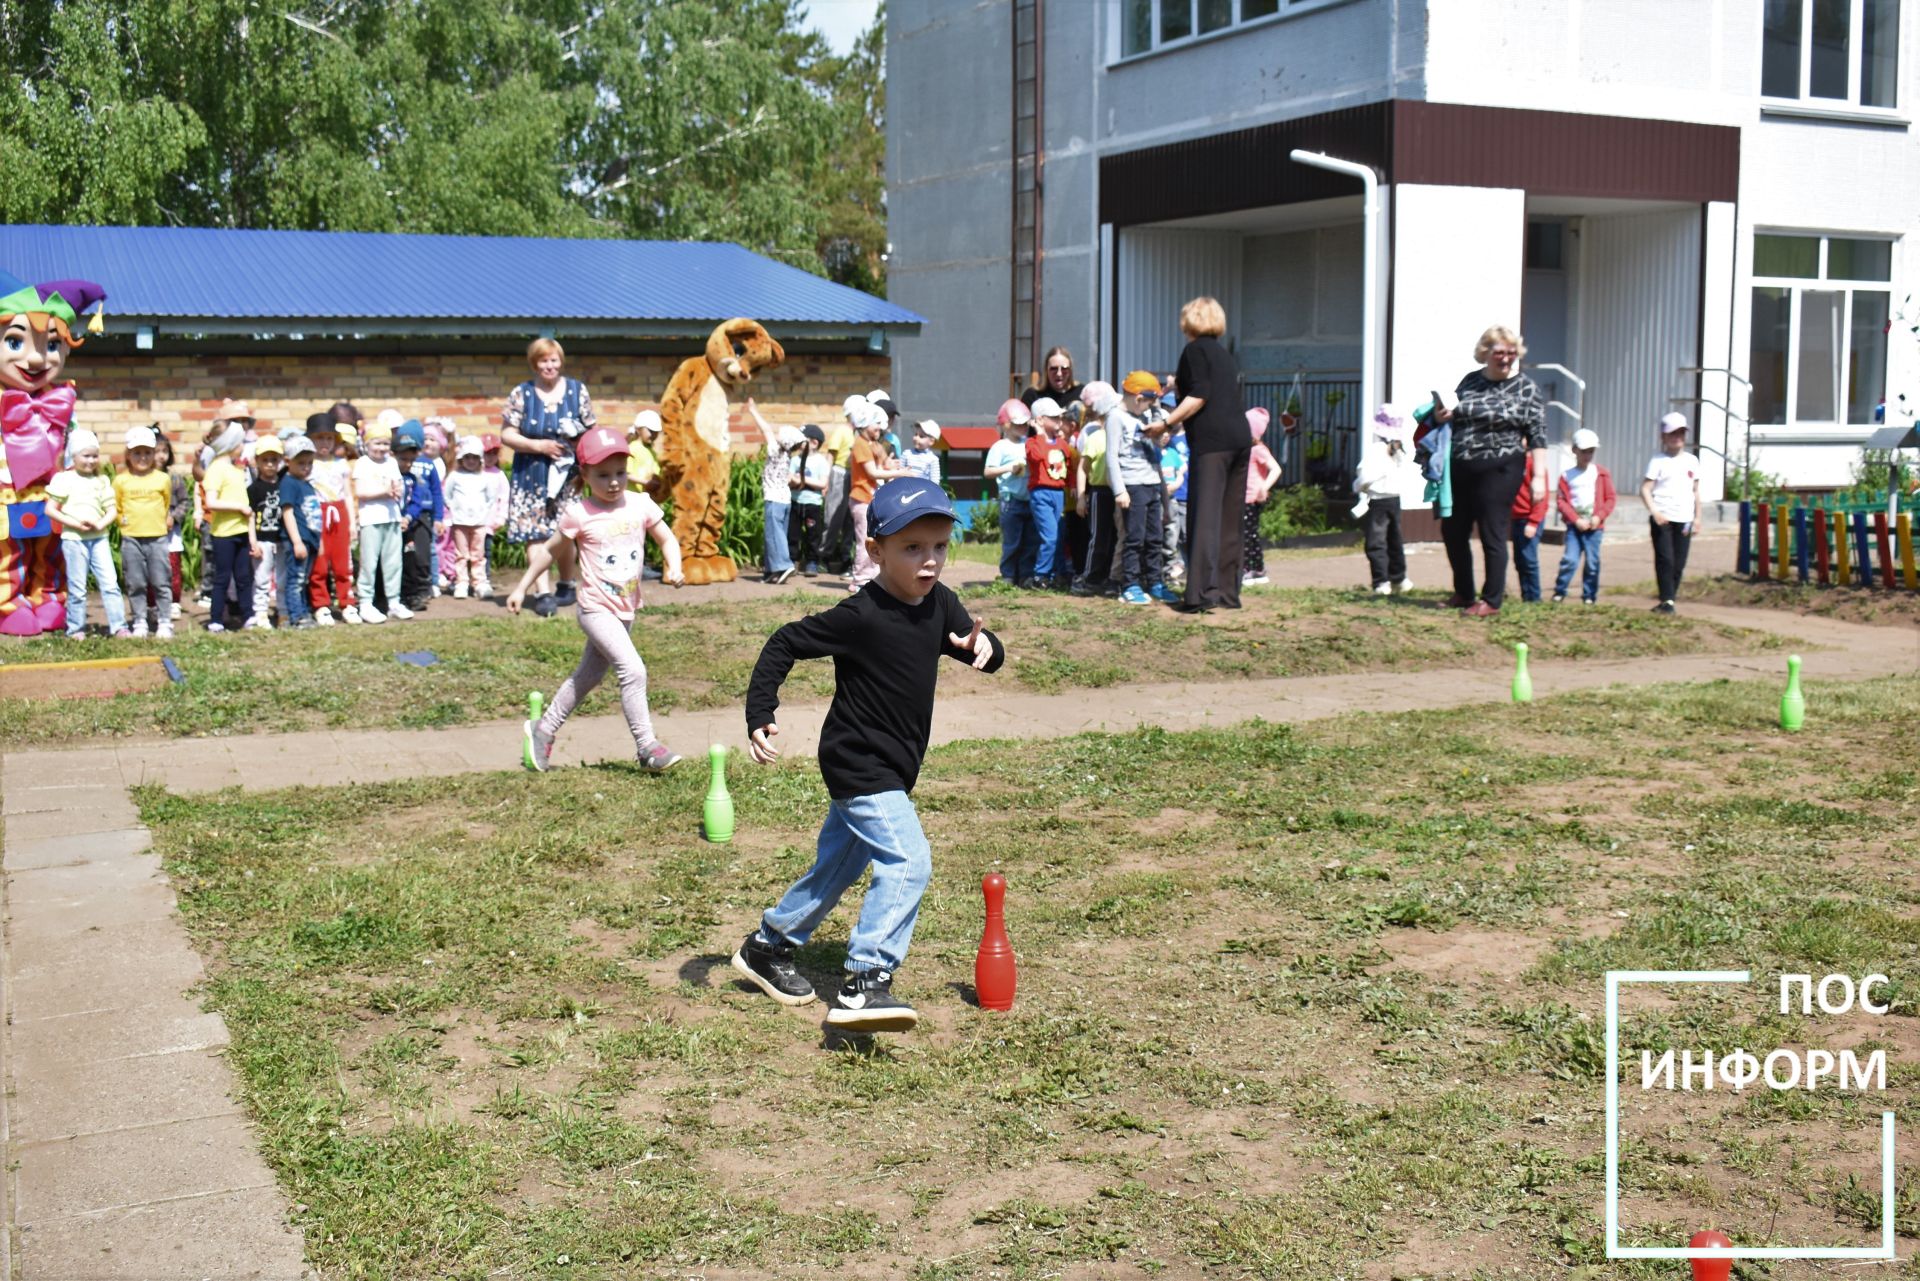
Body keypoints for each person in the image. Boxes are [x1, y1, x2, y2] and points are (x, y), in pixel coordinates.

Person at [732, 475, 1005, 1032]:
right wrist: (760, 712)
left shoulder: (940, 603)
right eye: (912, 549)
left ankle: (768, 944)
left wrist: (984, 647)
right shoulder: (861, 614)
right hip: (859, 763)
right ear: (875, 550)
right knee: (908, 860)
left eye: (939, 548)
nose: (929, 561)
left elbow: (986, 652)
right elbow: (785, 641)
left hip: (895, 765)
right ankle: (865, 982)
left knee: (838, 864)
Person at [512, 426, 685, 773]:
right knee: (633, 670)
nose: (614, 482)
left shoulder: (640, 504)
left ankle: (542, 731)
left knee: (587, 676)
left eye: (620, 472)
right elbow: (548, 552)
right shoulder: (580, 514)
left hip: (625, 608)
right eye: (603, 475)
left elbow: (667, 539)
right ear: (586, 474)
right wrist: (522, 587)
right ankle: (647, 747)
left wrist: (675, 566)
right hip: (593, 607)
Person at [1434, 326, 1548, 617]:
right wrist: (1441, 415)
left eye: (1511, 353)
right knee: (1453, 530)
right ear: (1485, 353)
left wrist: (1538, 479)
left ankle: (1491, 600)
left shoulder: (1526, 388)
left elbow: (1537, 436)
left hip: (1501, 467)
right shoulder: (1471, 381)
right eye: (1500, 353)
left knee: (1492, 533)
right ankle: (1463, 592)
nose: (1506, 358)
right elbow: (1453, 414)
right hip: (1460, 467)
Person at [1158, 297, 1249, 613]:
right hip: (1240, 438)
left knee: (1205, 517)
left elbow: (1199, 395)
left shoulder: (1194, 350)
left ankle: (1199, 594)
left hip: (1212, 442)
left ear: (1190, 321)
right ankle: (1227, 593)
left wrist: (1166, 423)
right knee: (1229, 518)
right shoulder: (1224, 354)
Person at [501, 337, 593, 616]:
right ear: (534, 363)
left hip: (567, 474)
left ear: (560, 361)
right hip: (530, 473)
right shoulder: (522, 393)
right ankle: (542, 592)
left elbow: (591, 430)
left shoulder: (577, 391)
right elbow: (506, 433)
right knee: (535, 534)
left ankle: (566, 583)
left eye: (553, 360)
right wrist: (538, 446)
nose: (549, 366)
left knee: (565, 531)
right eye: (543, 361)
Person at [45, 429, 127, 638]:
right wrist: (75, 523)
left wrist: (99, 524)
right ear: (73, 455)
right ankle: (75, 628)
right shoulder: (64, 479)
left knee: (110, 583)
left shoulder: (101, 481)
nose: (91, 461)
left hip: (98, 539)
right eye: (86, 456)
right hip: (74, 540)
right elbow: (51, 509)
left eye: (94, 456)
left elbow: (111, 511)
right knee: (77, 586)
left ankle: (119, 626)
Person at [1102, 376, 1173, 605]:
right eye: (1149, 402)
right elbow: (1111, 456)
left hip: (1152, 482)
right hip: (1133, 484)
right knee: (1134, 538)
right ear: (1139, 398)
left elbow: (1156, 437)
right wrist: (1119, 490)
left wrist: (1158, 433)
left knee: (1155, 537)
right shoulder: (1116, 417)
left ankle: (1155, 581)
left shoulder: (1143, 415)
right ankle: (1130, 584)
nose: (1150, 407)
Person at [114, 424, 174, 638]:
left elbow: (166, 502)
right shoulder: (121, 480)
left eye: (147, 452)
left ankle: (165, 620)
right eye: (137, 453)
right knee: (136, 581)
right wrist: (124, 522)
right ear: (128, 455)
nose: (143, 457)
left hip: (157, 537)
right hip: (131, 538)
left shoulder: (162, 479)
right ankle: (139, 620)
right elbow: (117, 506)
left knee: (161, 580)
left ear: (154, 454)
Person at [1353, 405, 1418, 596]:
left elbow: (1365, 476)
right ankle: (1399, 578)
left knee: (1376, 543)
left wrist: (1357, 487)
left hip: (1378, 502)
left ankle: (1381, 582)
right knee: (1394, 540)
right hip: (1394, 501)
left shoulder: (1377, 450)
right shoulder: (1399, 452)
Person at [1642, 413, 1701, 615]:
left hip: (1684, 518)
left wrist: (1698, 517)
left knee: (1679, 562)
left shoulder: (1692, 461)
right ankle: (1667, 600)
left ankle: (1669, 599)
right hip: (1663, 518)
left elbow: (1696, 491)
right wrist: (1655, 512)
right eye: (1672, 433)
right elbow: (1645, 489)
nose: (1677, 437)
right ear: (1663, 437)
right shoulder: (1658, 461)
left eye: (1680, 433)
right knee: (1665, 559)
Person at [199, 421, 255, 633]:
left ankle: (247, 614)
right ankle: (216, 618)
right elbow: (211, 502)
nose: (243, 446)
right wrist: (239, 507)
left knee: (243, 577)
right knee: (222, 577)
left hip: (240, 531)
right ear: (230, 444)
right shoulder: (215, 470)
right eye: (240, 442)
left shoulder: (235, 469)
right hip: (223, 534)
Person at [846, 399, 907, 593]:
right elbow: (872, 472)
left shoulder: (871, 443)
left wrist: (894, 466)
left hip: (869, 499)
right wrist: (899, 474)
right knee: (865, 540)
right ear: (864, 423)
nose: (880, 430)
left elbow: (882, 466)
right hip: (861, 499)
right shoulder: (860, 444)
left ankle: (871, 576)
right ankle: (860, 579)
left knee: (873, 538)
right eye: (877, 426)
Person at [308, 409, 359, 625]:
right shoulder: (308, 464)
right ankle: (320, 604)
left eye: (329, 438)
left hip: (339, 512)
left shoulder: (341, 465)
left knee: (342, 562)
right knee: (319, 562)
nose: (325, 443)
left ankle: (347, 602)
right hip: (317, 512)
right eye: (320, 438)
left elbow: (347, 493)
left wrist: (352, 521)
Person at [353, 417, 406, 623]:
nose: (382, 448)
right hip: (370, 519)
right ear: (367, 444)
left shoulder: (392, 463)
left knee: (394, 562)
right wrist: (383, 492)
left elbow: (398, 486)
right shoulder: (362, 463)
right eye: (377, 443)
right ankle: (365, 602)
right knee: (369, 562)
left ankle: (394, 602)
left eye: (385, 443)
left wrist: (397, 491)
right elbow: (360, 492)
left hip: (392, 517)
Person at [1553, 427, 1614, 605]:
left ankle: (1589, 595)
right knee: (1570, 560)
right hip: (1575, 527)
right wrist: (1576, 520)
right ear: (1574, 450)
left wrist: (1599, 517)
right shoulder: (1567, 476)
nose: (1588, 455)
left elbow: (1610, 498)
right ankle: (1560, 591)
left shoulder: (1601, 473)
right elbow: (1561, 502)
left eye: (1591, 451)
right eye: (1584, 451)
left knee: (1592, 562)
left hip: (1595, 528)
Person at [395, 420, 445, 614]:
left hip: (424, 516)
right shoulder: (398, 465)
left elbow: (437, 492)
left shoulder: (428, 464)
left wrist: (439, 517)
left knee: (423, 556)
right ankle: (405, 592)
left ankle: (422, 590)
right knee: (406, 556)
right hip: (404, 516)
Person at [747, 398, 799, 585]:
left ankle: (784, 565)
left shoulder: (776, 450)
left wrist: (753, 411)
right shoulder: (787, 454)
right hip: (784, 500)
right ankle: (772, 571)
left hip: (774, 499)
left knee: (773, 535)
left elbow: (766, 429)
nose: (775, 435)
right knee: (775, 535)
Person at [1024, 397, 1072, 589]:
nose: (1059, 420)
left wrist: (1073, 486)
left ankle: (1058, 573)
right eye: (1054, 417)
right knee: (1050, 536)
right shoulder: (1033, 442)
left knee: (1059, 536)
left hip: (1058, 493)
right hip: (1041, 492)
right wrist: (1040, 434)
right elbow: (1038, 456)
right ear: (1041, 419)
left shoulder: (1061, 443)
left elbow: (1068, 464)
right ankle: (1040, 575)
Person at [277, 435, 322, 629]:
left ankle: (303, 612)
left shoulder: (307, 484)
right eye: (301, 463)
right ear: (288, 462)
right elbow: (287, 513)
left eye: (310, 463)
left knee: (303, 580)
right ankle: (296, 616)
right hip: (298, 540)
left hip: (309, 539)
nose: (306, 467)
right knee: (295, 579)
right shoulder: (289, 483)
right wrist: (296, 542)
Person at [985, 399, 1033, 585]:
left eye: (1024, 424)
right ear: (1006, 425)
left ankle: (1026, 575)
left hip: (1029, 498)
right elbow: (988, 471)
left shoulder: (1029, 443)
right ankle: (1008, 575)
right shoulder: (1000, 446)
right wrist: (1009, 468)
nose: (1022, 428)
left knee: (1030, 540)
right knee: (1012, 541)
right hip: (1010, 500)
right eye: (1017, 424)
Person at [445, 436, 494, 598]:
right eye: (467, 457)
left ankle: (479, 582)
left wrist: (483, 513)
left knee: (478, 554)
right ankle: (462, 582)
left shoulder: (484, 477)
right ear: (462, 459)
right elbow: (447, 495)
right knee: (461, 553)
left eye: (475, 458)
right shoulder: (455, 476)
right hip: (460, 522)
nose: (471, 461)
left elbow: (490, 498)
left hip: (479, 522)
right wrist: (454, 509)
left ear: (480, 459)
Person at [246, 436, 286, 629]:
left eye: (274, 460)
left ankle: (282, 611)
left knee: (282, 578)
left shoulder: (284, 485)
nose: (270, 464)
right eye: (265, 460)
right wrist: (253, 541)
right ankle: (261, 612)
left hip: (281, 539)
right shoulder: (253, 489)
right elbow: (251, 516)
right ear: (257, 461)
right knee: (262, 578)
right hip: (262, 539)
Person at [1241, 408, 1283, 588]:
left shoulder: (1258, 449)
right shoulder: (1246, 449)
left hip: (1251, 498)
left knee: (1247, 535)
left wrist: (1263, 488)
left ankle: (1249, 570)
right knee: (1248, 534)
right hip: (1243, 497)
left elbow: (1276, 469)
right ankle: (1257, 569)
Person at [1508, 446, 1553, 604]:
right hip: (1516, 518)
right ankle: (1525, 595)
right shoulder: (1511, 464)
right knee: (1519, 559)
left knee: (1529, 559)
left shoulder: (1535, 466)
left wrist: (1533, 522)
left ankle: (1534, 598)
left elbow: (1542, 499)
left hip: (1529, 519)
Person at [821, 399, 860, 574]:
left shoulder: (859, 434)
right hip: (839, 473)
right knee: (833, 516)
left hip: (853, 476)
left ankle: (846, 556)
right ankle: (823, 555)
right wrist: (826, 479)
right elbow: (831, 455)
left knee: (849, 520)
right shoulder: (842, 431)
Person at [157, 432, 188, 623]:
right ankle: (154, 604)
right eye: (156, 451)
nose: (161, 456)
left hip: (171, 533)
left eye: (164, 451)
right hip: (149, 533)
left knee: (173, 568)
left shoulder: (174, 479)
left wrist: (174, 517)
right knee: (152, 570)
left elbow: (185, 501)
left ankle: (174, 601)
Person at [790, 424, 830, 575]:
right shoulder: (794, 460)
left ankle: (812, 561)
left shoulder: (821, 461)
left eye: (801, 440)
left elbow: (822, 483)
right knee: (793, 533)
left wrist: (802, 479)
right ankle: (792, 559)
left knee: (813, 535)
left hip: (812, 503)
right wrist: (795, 480)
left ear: (814, 442)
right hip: (795, 501)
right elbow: (789, 478)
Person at [1160, 407, 1189, 586]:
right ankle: (1165, 572)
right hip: (1161, 499)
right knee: (1164, 537)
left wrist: (1177, 483)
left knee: (1179, 535)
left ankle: (1181, 568)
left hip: (1180, 496)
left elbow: (1181, 470)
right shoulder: (1157, 451)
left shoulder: (1173, 452)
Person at [1022, 345, 1083, 412]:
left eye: (1064, 368)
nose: (1059, 373)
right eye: (1053, 369)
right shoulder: (1032, 395)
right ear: (1046, 370)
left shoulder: (1081, 393)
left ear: (1070, 370)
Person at [627, 409, 664, 499]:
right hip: (632, 498)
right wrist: (646, 482)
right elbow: (626, 474)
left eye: (656, 432)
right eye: (650, 431)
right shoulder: (632, 449)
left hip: (647, 500)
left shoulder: (653, 453)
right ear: (638, 429)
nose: (653, 435)